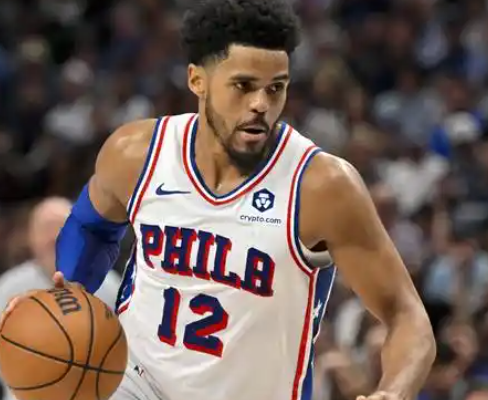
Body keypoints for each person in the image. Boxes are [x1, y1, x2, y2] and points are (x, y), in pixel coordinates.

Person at [0, 1, 436, 399]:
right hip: (139, 381)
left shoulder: (322, 186)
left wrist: (393, 392)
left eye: (276, 88)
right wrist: (67, 289)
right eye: (243, 86)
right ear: (197, 80)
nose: (261, 104)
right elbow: (92, 225)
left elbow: (406, 316)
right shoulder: (137, 153)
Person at [0, 197, 121, 400]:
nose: (53, 236)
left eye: (60, 227)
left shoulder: (109, 286)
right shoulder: (7, 287)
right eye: (45, 229)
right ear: (30, 238)